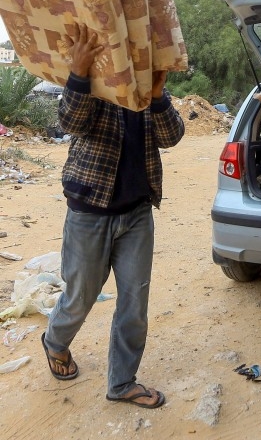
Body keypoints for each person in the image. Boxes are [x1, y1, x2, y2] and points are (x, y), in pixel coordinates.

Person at [41, 23, 185, 408]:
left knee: (134, 303)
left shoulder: (146, 90)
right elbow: (69, 124)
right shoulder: (98, 84)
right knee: (80, 296)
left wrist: (157, 95)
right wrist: (79, 74)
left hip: (137, 213)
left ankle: (122, 382)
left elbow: (172, 136)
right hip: (90, 210)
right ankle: (55, 341)